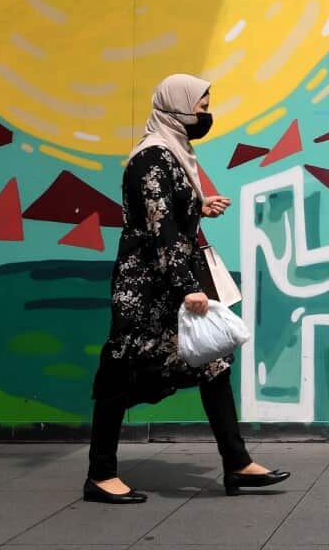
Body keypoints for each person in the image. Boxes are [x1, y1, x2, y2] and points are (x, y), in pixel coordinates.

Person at [84, 73, 289, 504]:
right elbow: (160, 229)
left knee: (213, 362)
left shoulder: (173, 154)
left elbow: (169, 212)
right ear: (174, 107)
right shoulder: (151, 158)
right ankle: (100, 474)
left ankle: (237, 462)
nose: (205, 114)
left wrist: (198, 206)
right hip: (146, 288)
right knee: (121, 371)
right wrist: (188, 288)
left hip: (168, 278)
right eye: (200, 106)